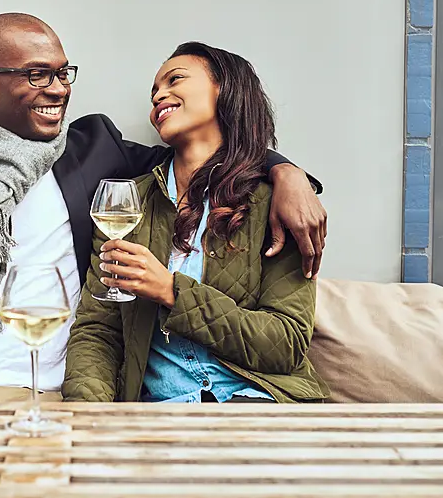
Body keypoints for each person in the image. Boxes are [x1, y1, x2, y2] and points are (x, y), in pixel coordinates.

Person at [0, 14, 327, 402]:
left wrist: (287, 172)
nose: (59, 88)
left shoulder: (98, 155)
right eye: (37, 74)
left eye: (62, 73)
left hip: (38, 391)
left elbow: (210, 158)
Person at [62, 42, 330, 404]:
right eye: (154, 90)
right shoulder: (130, 204)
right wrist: (88, 417)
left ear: (225, 88)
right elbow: (98, 331)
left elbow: (285, 345)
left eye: (175, 80)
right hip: (162, 416)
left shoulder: (275, 203)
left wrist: (172, 291)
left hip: (261, 404)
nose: (159, 95)